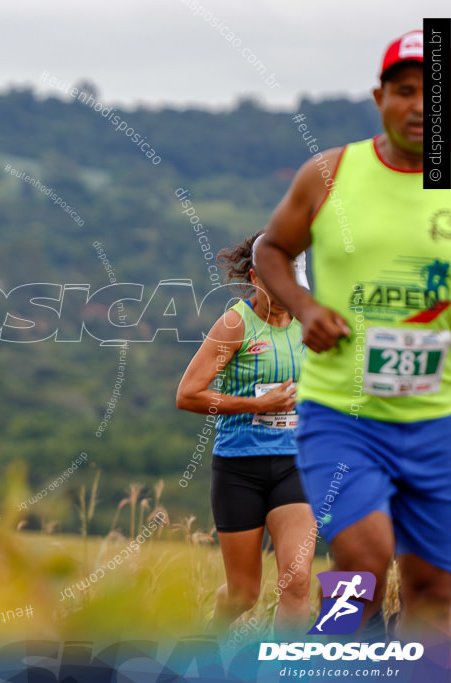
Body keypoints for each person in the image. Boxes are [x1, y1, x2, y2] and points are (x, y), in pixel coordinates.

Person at [256, 30, 449, 640]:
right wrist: (307, 308)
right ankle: (333, 657)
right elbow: (271, 249)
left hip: (440, 418)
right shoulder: (331, 172)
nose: (419, 105)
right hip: (346, 412)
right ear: (379, 97)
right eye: (404, 90)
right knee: (362, 562)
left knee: (435, 588)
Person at [177, 232, 315, 637]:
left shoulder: (310, 324)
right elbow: (188, 395)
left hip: (296, 465)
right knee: (243, 594)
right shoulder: (235, 325)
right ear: (256, 277)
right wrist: (258, 405)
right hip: (240, 468)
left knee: (298, 581)